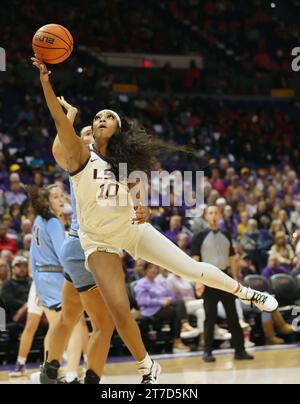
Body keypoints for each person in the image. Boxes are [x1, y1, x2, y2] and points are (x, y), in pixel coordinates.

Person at [32, 57, 278, 384]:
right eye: (98, 116)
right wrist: (46, 81)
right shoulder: (80, 155)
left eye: (109, 116)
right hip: (98, 242)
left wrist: (142, 205)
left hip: (133, 233)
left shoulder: (125, 163)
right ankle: (147, 366)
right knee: (118, 309)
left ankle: (247, 292)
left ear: (119, 129)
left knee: (191, 269)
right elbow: (58, 120)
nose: (102, 119)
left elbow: (136, 193)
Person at [28, 184, 84, 383]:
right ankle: (71, 374)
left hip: (43, 279)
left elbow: (32, 256)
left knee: (55, 328)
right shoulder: (53, 223)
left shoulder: (38, 220)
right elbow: (64, 256)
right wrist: (78, 277)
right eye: (55, 197)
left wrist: (36, 283)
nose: (61, 200)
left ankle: (49, 373)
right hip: (56, 278)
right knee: (76, 324)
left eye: (62, 196)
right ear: (46, 201)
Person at [191, 205, 254, 362]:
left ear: (220, 216)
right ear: (206, 216)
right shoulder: (199, 236)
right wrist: (198, 281)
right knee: (210, 317)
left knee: (233, 315)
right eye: (210, 213)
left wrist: (234, 278)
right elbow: (195, 260)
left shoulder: (226, 234)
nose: (213, 216)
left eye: (216, 213)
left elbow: (232, 258)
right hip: (208, 279)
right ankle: (207, 352)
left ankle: (240, 350)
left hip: (225, 278)